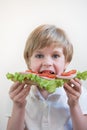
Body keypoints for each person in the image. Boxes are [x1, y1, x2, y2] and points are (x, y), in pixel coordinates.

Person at [6, 24, 87, 130]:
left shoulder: (79, 93)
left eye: (55, 56)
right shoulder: (17, 94)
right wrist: (18, 106)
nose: (47, 63)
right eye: (39, 56)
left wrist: (74, 104)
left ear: (66, 61)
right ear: (28, 60)